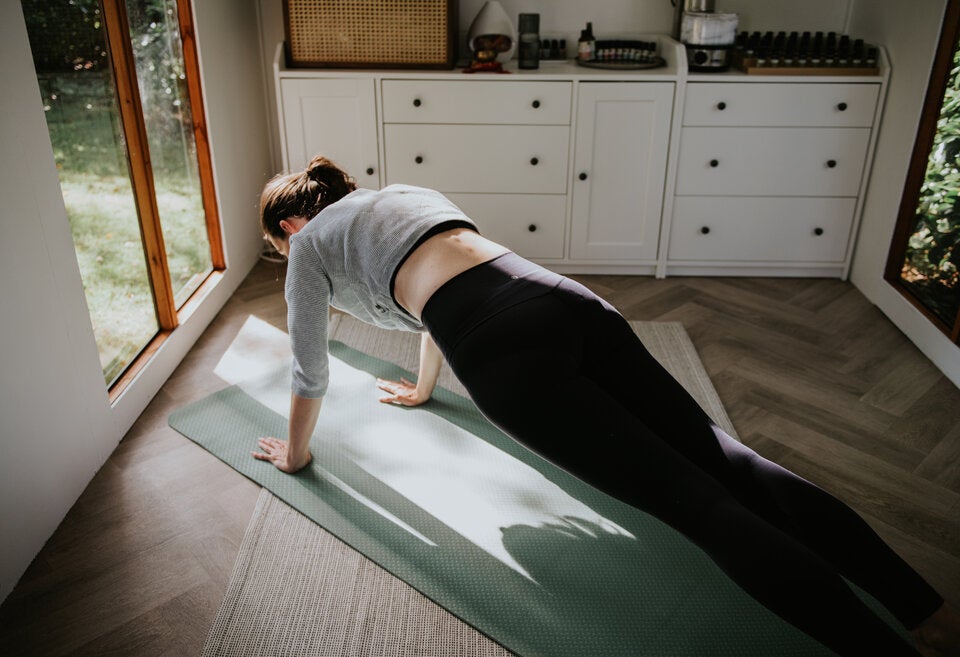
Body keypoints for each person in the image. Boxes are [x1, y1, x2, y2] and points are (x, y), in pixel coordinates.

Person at [252, 155, 960, 657]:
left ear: (288, 228)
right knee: (730, 460)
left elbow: (310, 369)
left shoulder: (310, 247)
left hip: (500, 346)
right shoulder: (401, 195)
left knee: (701, 508)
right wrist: (425, 386)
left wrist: (298, 452)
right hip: (561, 297)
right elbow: (438, 293)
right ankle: (929, 613)